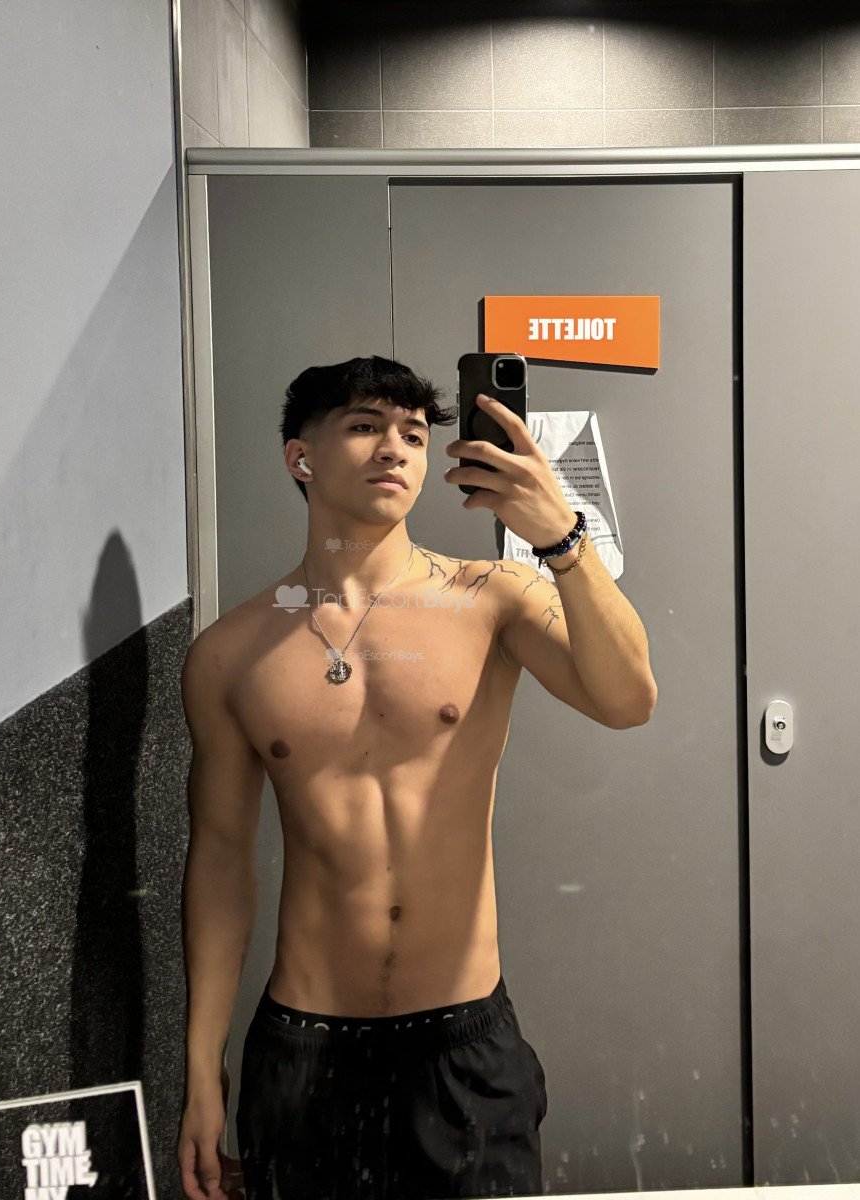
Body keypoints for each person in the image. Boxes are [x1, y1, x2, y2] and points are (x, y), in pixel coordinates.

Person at [177, 356, 657, 1200]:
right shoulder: (230, 653)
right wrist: (201, 1066)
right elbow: (219, 861)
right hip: (306, 1050)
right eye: (365, 426)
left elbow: (629, 700)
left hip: (462, 1045)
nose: (395, 448)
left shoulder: (491, 596)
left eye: (412, 433)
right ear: (301, 457)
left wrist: (563, 539)